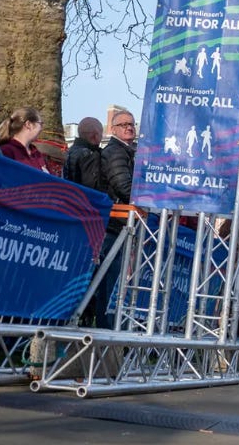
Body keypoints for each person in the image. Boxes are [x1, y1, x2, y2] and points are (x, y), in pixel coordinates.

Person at [94, 109, 137, 328]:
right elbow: (124, 186)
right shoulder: (115, 152)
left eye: (131, 124)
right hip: (114, 224)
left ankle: (115, 325)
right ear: (113, 129)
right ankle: (106, 327)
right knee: (111, 281)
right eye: (123, 125)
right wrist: (147, 201)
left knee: (120, 281)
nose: (129, 128)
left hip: (125, 224)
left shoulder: (131, 151)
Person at [0, 107, 48, 172]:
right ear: (28, 124)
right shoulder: (6, 151)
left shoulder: (37, 154)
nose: (41, 128)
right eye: (40, 124)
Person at [64, 116, 104, 190]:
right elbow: (91, 187)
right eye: (101, 134)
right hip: (84, 199)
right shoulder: (89, 155)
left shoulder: (69, 151)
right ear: (95, 135)